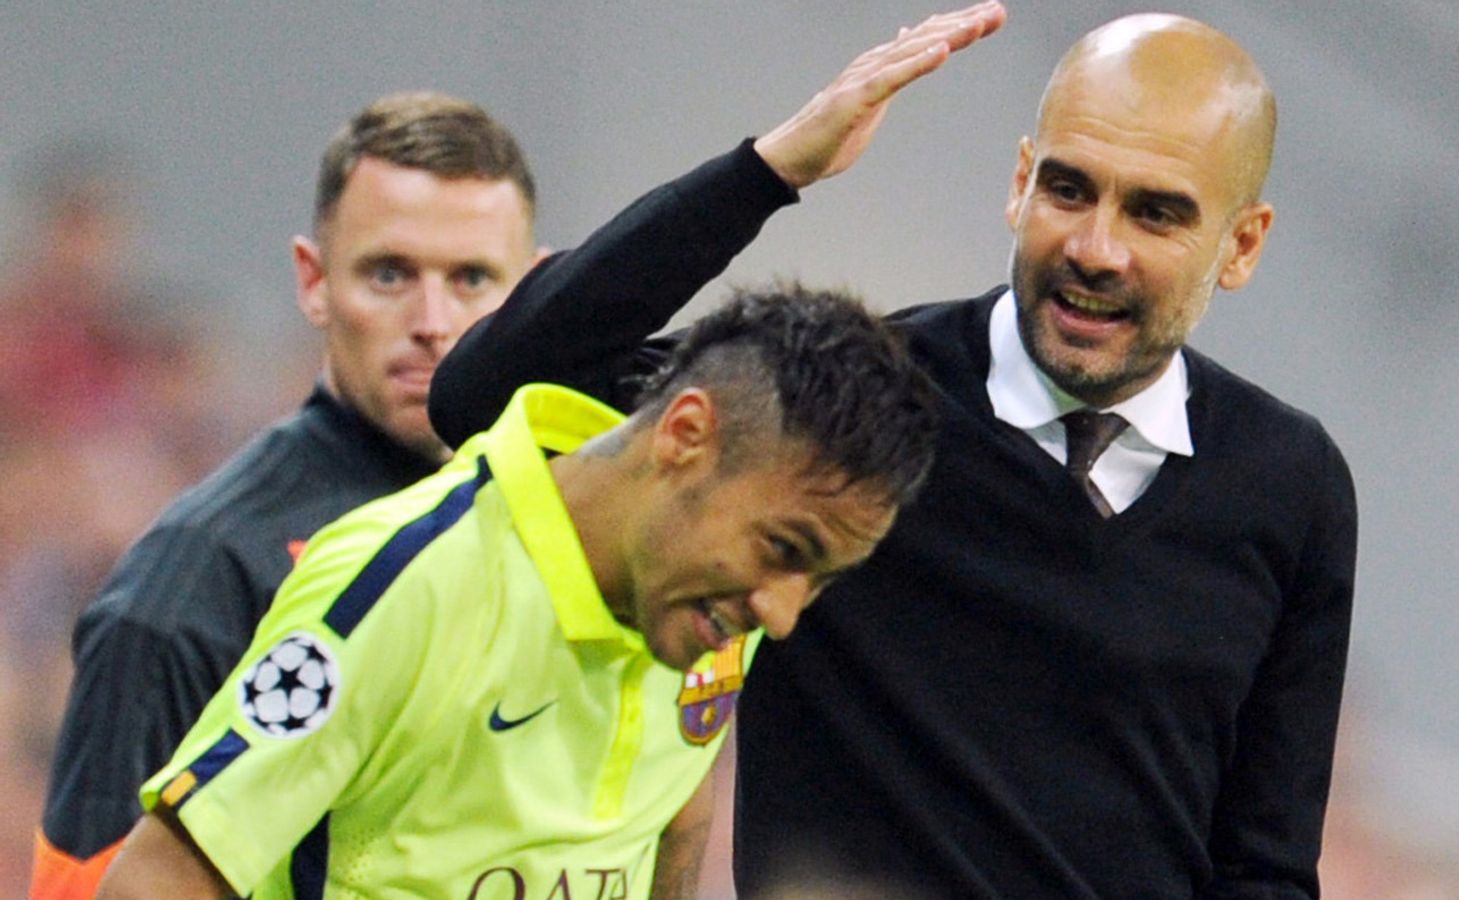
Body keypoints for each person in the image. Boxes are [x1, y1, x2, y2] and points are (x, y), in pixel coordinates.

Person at [427, 4, 1358, 897]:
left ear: (1242, 244)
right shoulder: (851, 409)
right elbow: (489, 392)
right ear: (1019, 183)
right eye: (1069, 189)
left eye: (1156, 214)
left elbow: (1263, 866)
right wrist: (767, 172)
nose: (1096, 249)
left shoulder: (1291, 484)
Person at [95, 285, 941, 898]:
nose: (783, 614)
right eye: (785, 549)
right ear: (686, 436)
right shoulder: (408, 580)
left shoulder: (709, 602)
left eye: (820, 577)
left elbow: (671, 811)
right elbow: (161, 877)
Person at [31, 92, 542, 899]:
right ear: (314, 282)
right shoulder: (195, 581)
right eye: (389, 273)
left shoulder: (572, 531)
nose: (433, 320)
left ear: (535, 294)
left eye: (472, 278)